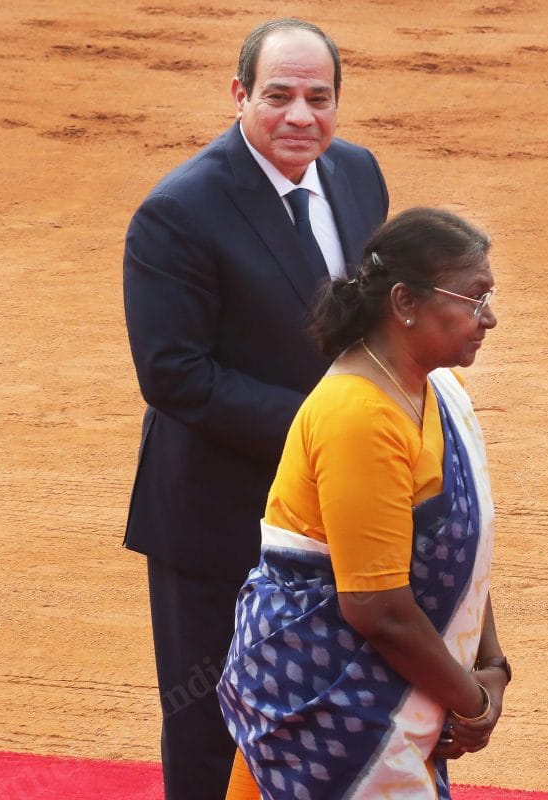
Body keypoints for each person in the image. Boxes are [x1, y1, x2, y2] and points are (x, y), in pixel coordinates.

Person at [122, 18, 389, 799]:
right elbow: (175, 376)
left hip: (329, 511)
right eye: (278, 96)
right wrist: (325, 428)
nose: (300, 116)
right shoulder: (178, 212)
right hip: (215, 518)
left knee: (329, 706)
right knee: (213, 721)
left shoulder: (358, 173)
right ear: (239, 95)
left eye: (318, 97)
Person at [216, 207, 508, 800]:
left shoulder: (436, 388)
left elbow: (459, 548)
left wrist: (493, 666)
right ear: (405, 303)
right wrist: (472, 701)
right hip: (327, 714)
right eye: (475, 298)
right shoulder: (360, 416)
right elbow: (378, 607)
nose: (490, 318)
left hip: (382, 703)